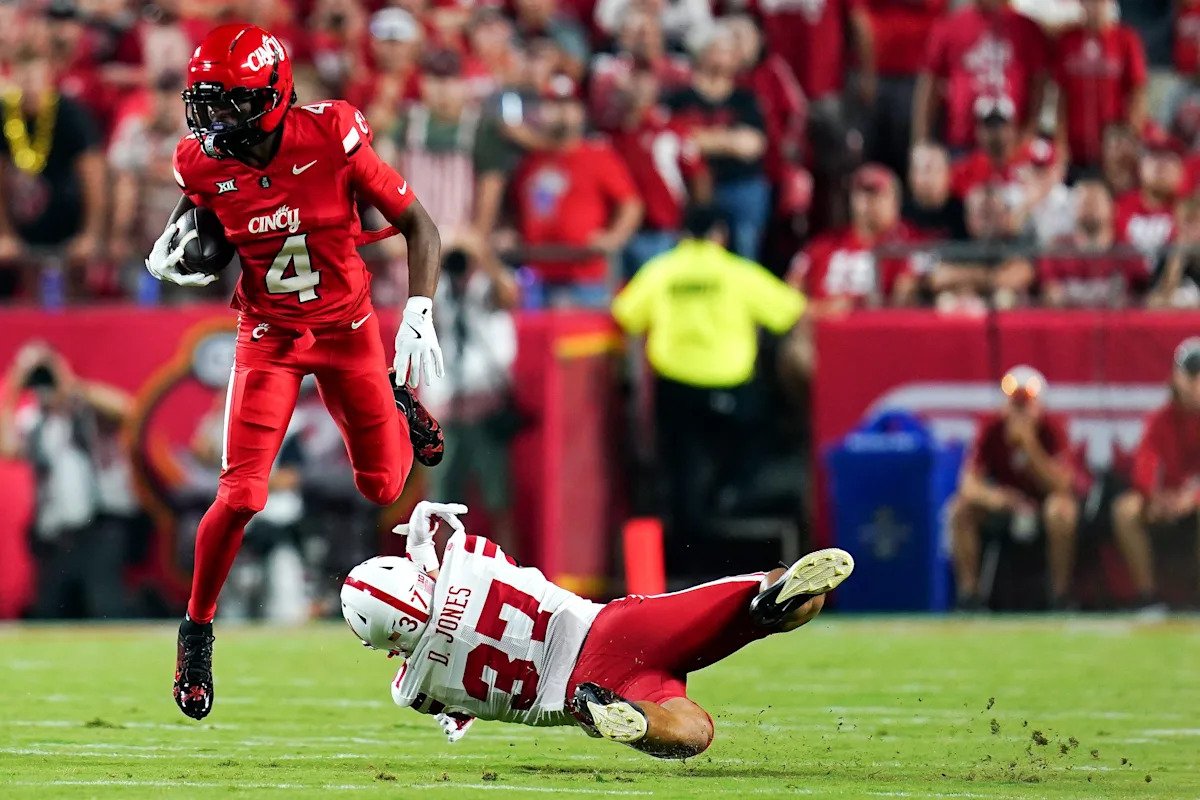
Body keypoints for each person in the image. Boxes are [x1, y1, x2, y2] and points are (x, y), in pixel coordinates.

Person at [143, 24, 447, 721]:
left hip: (347, 330)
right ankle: (196, 632)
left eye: (231, 102)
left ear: (273, 97)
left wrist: (419, 311)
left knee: (384, 486)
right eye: (206, 103)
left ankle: (396, 397)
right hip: (270, 336)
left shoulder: (332, 134)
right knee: (241, 494)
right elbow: (198, 223)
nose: (216, 119)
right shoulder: (199, 162)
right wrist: (169, 253)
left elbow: (420, 226)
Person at [341, 500, 855, 757]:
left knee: (694, 733)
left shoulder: (415, 690)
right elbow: (451, 585)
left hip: (578, 694)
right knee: (781, 591)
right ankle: (770, 605)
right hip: (611, 630)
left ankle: (635, 721)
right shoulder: (466, 557)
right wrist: (422, 546)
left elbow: (428, 662)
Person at [611, 205, 804, 562]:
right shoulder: (736, 272)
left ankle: (687, 548)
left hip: (675, 387)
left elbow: (625, 313)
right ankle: (727, 503)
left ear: (683, 235)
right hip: (729, 386)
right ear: (720, 235)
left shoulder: (662, 270)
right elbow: (788, 310)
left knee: (680, 466)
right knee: (757, 438)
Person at [0, 342, 135, 619]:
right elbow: (7, 447)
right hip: (55, 537)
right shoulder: (34, 420)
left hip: (99, 528)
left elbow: (127, 410)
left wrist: (66, 381)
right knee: (50, 613)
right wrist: (14, 389)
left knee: (106, 609)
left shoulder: (87, 409)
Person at [420, 239, 521, 556]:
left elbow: (508, 294)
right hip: (445, 411)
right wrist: (438, 257)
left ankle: (509, 572)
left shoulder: (486, 290)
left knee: (498, 500)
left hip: (484, 409)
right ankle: (440, 574)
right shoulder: (441, 294)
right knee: (440, 506)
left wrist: (479, 250)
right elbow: (417, 313)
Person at [948, 366, 1079, 610]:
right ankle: (970, 596)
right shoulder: (992, 429)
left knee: (1061, 511)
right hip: (1005, 506)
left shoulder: (1053, 428)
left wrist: (1029, 446)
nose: (1019, 412)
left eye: (1025, 404)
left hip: (1044, 504)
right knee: (960, 511)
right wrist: (996, 498)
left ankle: (1060, 596)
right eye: (1015, 404)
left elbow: (1062, 485)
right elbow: (967, 483)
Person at [510, 75, 642, 307]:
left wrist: (614, 237)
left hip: (585, 275)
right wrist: (509, 232)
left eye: (568, 105)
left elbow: (631, 203)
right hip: (537, 273)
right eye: (553, 104)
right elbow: (513, 206)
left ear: (580, 112)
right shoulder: (531, 160)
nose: (561, 112)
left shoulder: (597, 155)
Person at [0, 43, 105, 301]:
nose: (29, 84)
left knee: (73, 297)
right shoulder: (4, 115)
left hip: (68, 225)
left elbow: (94, 177)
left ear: (49, 76)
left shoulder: (71, 115)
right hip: (22, 226)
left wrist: (90, 234)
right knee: (29, 300)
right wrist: (5, 234)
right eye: (23, 76)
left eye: (35, 76)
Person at [664, 23, 768, 260]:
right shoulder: (680, 99)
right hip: (692, 187)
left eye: (730, 51)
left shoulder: (745, 99)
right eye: (720, 49)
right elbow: (675, 142)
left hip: (739, 184)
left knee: (745, 243)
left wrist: (702, 139)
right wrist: (729, 140)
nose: (727, 57)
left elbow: (753, 145)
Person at [1111, 338, 1200, 609]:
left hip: (1192, 501)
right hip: (1165, 501)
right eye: (1192, 376)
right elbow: (1145, 464)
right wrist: (1154, 497)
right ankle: (1146, 596)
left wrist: (1192, 499)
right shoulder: (1160, 419)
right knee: (1125, 511)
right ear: (1177, 377)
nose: (1197, 384)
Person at [609, 63, 710, 277]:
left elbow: (698, 176)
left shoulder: (670, 130)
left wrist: (695, 224)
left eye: (643, 82)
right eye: (632, 81)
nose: (637, 89)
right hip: (619, 232)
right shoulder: (609, 137)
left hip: (662, 231)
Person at [914, 0, 1049, 153]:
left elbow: (1039, 81)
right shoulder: (949, 25)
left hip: (1011, 143)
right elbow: (929, 82)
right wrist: (921, 141)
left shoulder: (1025, 28)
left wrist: (1030, 131)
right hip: (963, 142)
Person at [788, 164, 921, 313]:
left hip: (874, 324)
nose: (866, 201)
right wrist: (820, 310)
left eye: (875, 193)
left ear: (894, 201)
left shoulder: (908, 244)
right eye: (860, 192)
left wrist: (853, 307)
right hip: (820, 323)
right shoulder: (825, 244)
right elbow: (791, 289)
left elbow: (906, 299)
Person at [1052, 0, 1147, 174]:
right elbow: (1062, 97)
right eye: (1090, 3)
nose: (1095, 7)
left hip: (1113, 147)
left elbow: (1137, 92)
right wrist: (1060, 144)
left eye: (1100, 3)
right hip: (1076, 146)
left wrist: (1132, 137)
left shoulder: (1126, 38)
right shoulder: (1068, 40)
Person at [1038, 180, 1148, 308]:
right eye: (1084, 204)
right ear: (1072, 209)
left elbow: (1145, 296)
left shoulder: (1128, 252)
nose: (1090, 209)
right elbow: (1049, 294)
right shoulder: (1056, 250)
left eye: (1096, 204)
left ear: (1112, 208)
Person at [1115, 129, 1183, 261]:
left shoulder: (1189, 210)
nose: (1160, 166)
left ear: (1180, 169)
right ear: (1140, 167)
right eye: (1154, 157)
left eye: (1168, 159)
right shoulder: (1120, 206)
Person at [902, 142, 967, 240]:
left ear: (948, 173)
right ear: (911, 175)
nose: (929, 177)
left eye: (937, 170)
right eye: (924, 170)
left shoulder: (963, 214)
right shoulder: (898, 214)